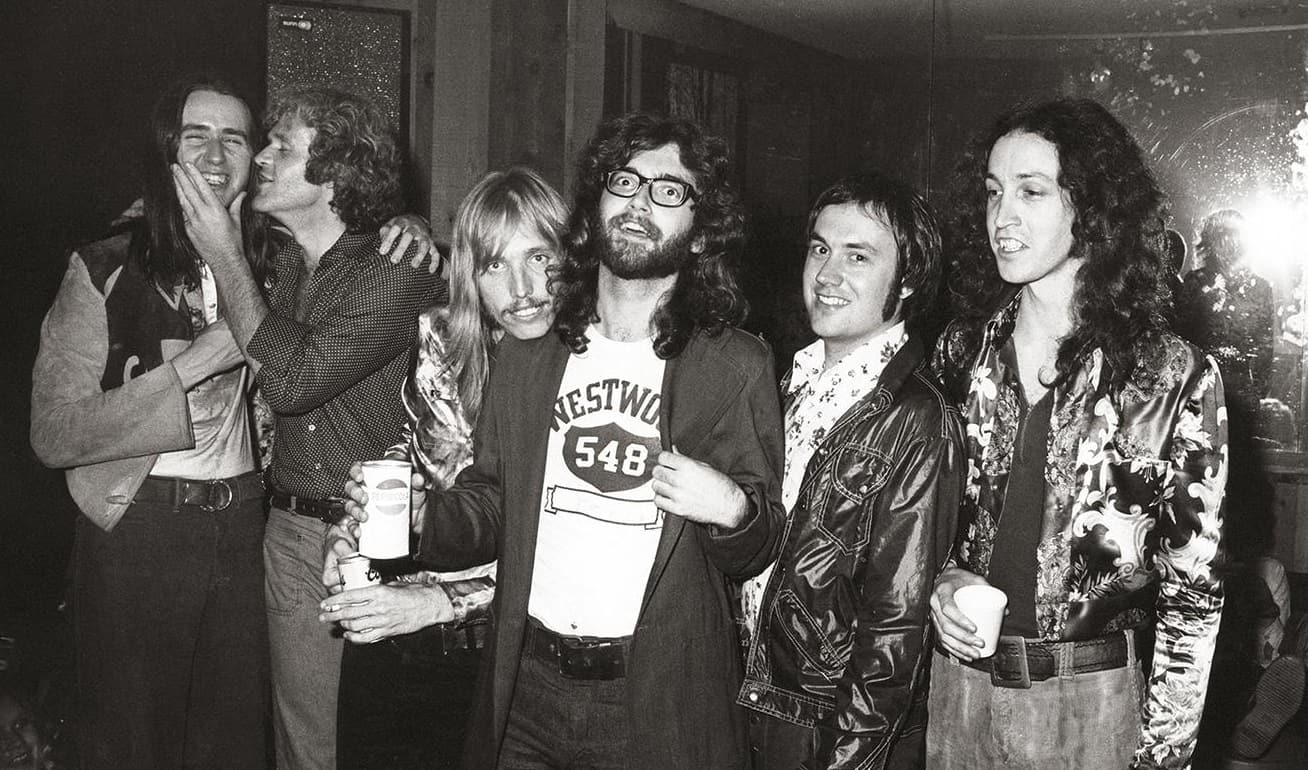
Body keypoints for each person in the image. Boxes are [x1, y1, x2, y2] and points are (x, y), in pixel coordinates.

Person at [346, 112, 786, 768]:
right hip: (527, 690)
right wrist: (421, 518)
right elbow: (491, 503)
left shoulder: (734, 365)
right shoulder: (533, 353)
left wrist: (732, 509)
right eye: (625, 181)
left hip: (651, 698)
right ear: (595, 204)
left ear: (700, 234)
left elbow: (758, 544)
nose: (640, 202)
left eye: (669, 191)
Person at [927, 98, 1228, 770]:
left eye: (1031, 191)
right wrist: (941, 580)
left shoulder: (1171, 375)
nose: (1002, 216)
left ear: (1090, 207)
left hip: (1091, 706)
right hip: (957, 692)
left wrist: (1163, 756)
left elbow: (1192, 594)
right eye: (993, 192)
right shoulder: (960, 351)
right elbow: (922, 522)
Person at [174, 86, 439, 769]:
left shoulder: (397, 267)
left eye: (280, 147)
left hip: (378, 537)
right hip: (290, 530)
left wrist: (227, 256)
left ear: (335, 174)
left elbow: (292, 382)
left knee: (371, 743)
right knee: (303, 742)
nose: (261, 157)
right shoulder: (285, 264)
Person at [317, 167, 569, 769]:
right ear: (470, 277)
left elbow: (567, 549)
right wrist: (351, 530)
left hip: (516, 650)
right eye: (494, 265)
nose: (522, 289)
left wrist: (440, 604)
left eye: (539, 257)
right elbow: (424, 455)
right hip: (407, 623)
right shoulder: (447, 339)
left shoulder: (599, 367)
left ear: (571, 257)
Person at [737, 172, 965, 769]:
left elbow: (896, 631)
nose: (827, 275)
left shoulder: (918, 418)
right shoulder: (782, 381)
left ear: (908, 279)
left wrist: (847, 757)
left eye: (857, 256)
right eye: (820, 249)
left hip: (825, 727)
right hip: (747, 703)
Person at [1174, 208, 1274, 408]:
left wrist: (1257, 390)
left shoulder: (1260, 287)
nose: (1229, 244)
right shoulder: (1196, 282)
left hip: (1233, 389)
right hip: (1202, 388)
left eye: (1233, 237)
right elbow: (1182, 336)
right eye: (1224, 237)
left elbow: (1265, 346)